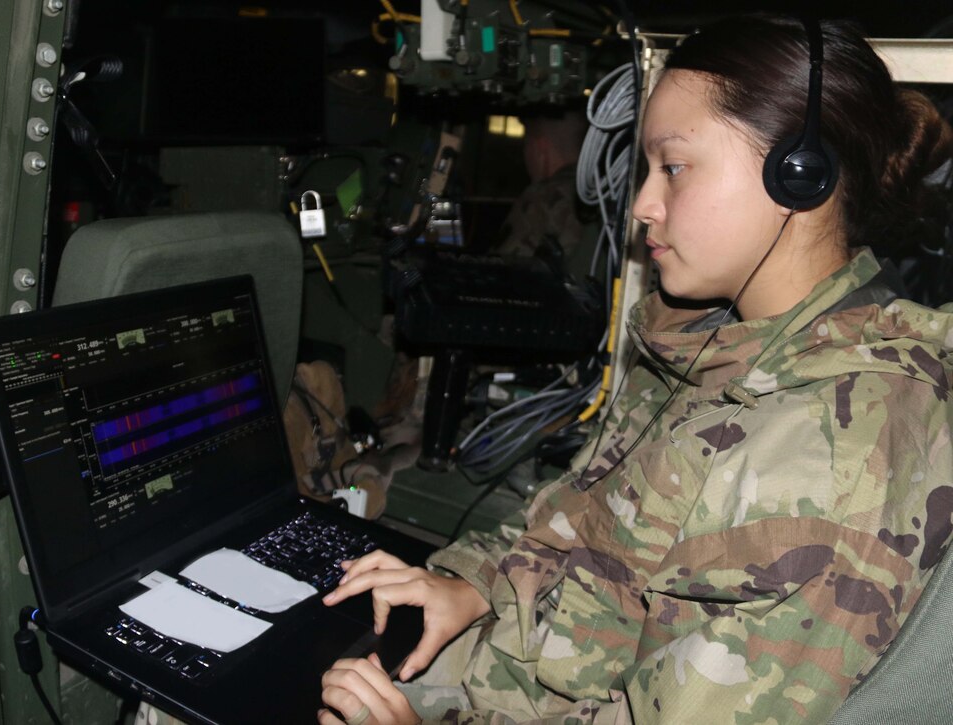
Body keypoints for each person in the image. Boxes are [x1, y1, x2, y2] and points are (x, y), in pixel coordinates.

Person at [318, 14, 953, 725]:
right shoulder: (716, 341)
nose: (644, 204)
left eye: (673, 167)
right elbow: (583, 516)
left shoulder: (829, 453)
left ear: (798, 176)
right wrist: (475, 584)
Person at [493, 110, 590, 274]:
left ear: (540, 150)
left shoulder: (541, 197)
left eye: (526, 145)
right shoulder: (603, 193)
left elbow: (501, 270)